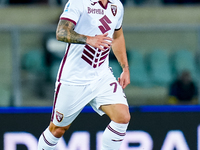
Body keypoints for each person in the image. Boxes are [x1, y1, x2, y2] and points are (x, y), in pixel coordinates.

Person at [37, 0, 131, 149]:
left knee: (122, 116)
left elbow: (117, 37)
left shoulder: (117, 5)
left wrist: (125, 68)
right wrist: (88, 39)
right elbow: (61, 32)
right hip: (74, 78)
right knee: (57, 130)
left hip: (101, 76)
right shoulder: (79, 2)